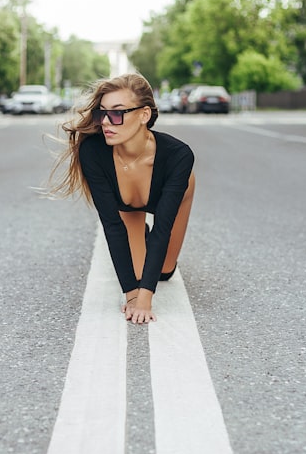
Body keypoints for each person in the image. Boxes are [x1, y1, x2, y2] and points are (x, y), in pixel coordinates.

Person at [49, 74, 196, 324]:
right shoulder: (93, 151)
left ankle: (147, 244)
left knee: (163, 271)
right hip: (127, 208)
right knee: (137, 277)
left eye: (117, 113)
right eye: (101, 112)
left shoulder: (179, 155)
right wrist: (132, 296)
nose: (106, 122)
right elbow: (112, 226)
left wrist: (146, 299)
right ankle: (140, 234)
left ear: (143, 115)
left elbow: (163, 228)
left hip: (175, 198)